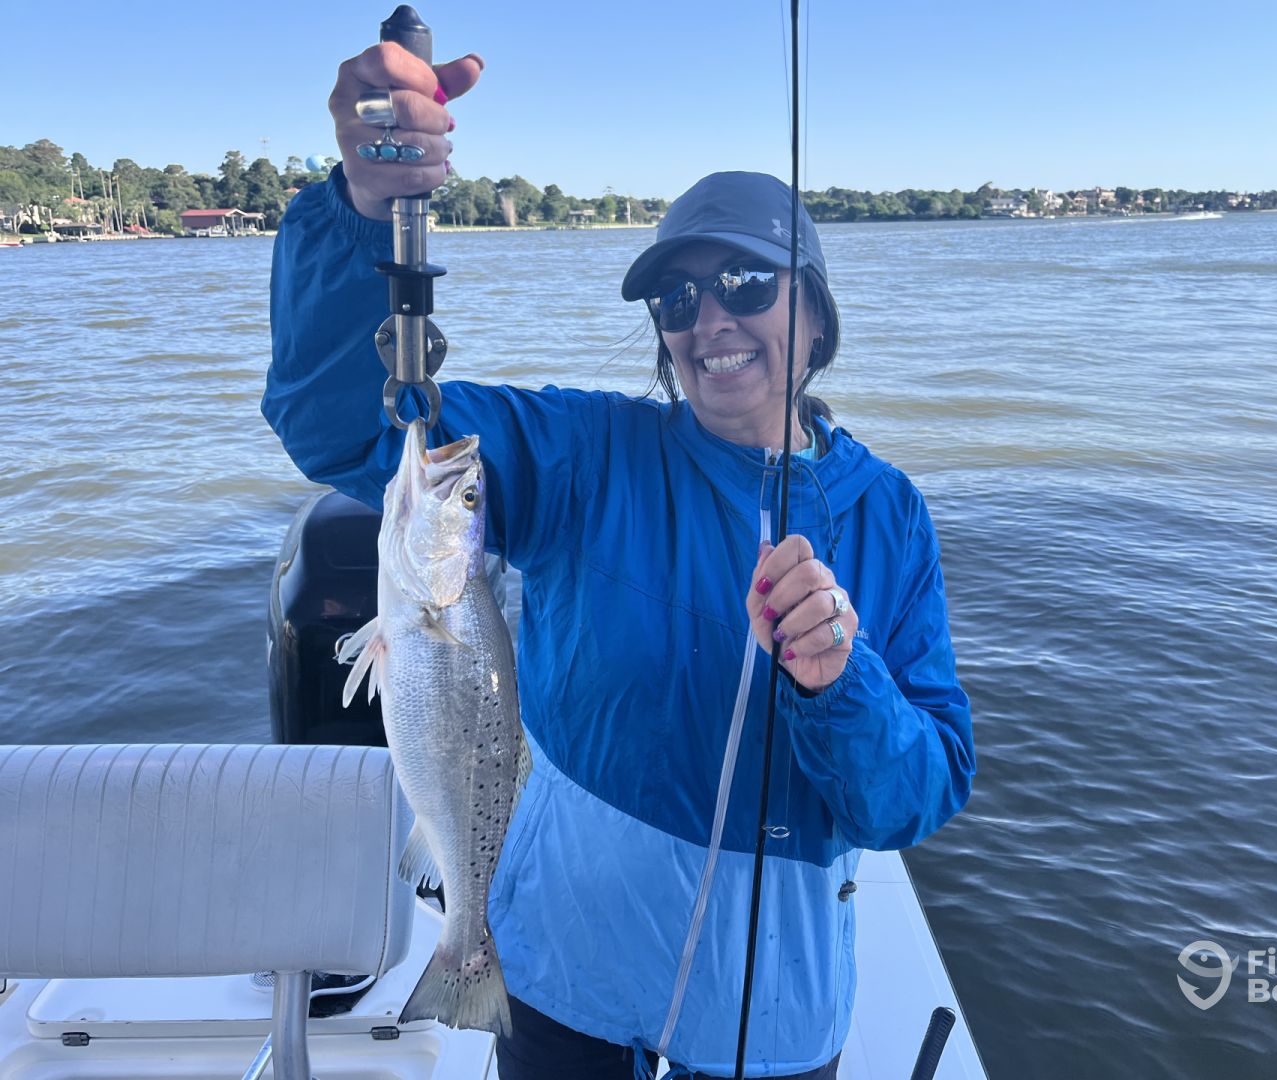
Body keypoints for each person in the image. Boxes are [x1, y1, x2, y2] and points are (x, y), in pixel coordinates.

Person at [263, 41, 975, 1080]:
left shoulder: (890, 517)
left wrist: (841, 684)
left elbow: (917, 795)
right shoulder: (585, 456)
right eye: (677, 299)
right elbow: (345, 427)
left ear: (817, 312)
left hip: (771, 1020)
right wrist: (363, 209)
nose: (710, 319)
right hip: (559, 975)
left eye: (744, 282)